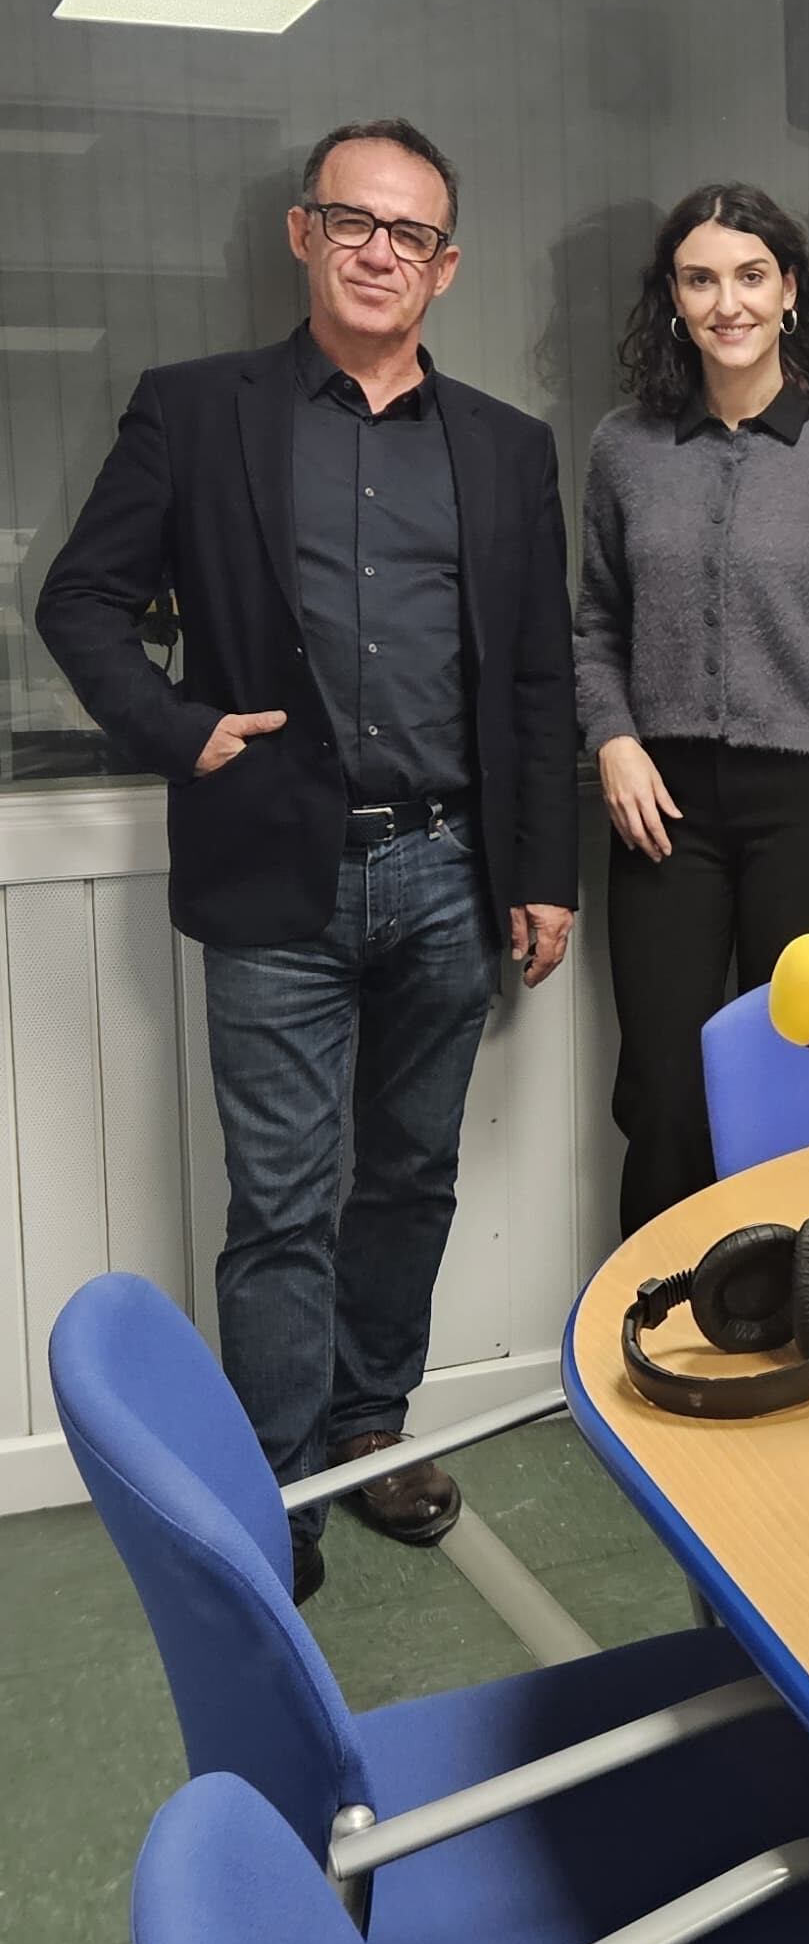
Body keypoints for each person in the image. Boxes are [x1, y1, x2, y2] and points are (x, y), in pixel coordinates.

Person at [37, 119, 577, 1599]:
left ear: (445, 266)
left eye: (411, 233)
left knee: (407, 1177)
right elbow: (79, 601)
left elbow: (538, 677)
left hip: (451, 873)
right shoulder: (194, 412)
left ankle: (371, 1428)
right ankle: (279, 1491)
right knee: (279, 1202)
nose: (378, 251)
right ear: (303, 232)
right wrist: (178, 727)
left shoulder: (507, 448)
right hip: (277, 872)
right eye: (353, 220)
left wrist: (543, 872)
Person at [576, 182, 809, 1230]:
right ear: (672, 299)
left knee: (808, 1084)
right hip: (664, 812)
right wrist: (613, 739)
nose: (726, 302)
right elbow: (594, 625)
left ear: (789, 292)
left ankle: (805, 1305)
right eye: (700, 280)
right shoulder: (624, 449)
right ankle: (663, 1305)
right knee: (665, 1091)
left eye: (750, 276)